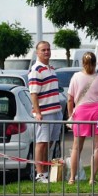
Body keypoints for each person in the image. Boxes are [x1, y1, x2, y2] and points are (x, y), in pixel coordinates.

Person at [66, 52, 98, 185]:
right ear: (95, 63)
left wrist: (70, 115)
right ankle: (92, 178)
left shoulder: (76, 77)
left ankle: (72, 178)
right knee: (97, 147)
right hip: (97, 112)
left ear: (82, 63)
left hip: (81, 113)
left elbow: (70, 99)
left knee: (76, 147)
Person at [28, 41, 63, 183]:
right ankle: (40, 174)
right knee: (41, 143)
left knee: (49, 142)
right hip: (45, 112)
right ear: (37, 52)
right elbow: (33, 93)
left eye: (48, 49)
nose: (47, 52)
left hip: (55, 111)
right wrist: (37, 112)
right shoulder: (36, 69)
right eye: (43, 50)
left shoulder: (51, 68)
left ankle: (45, 169)